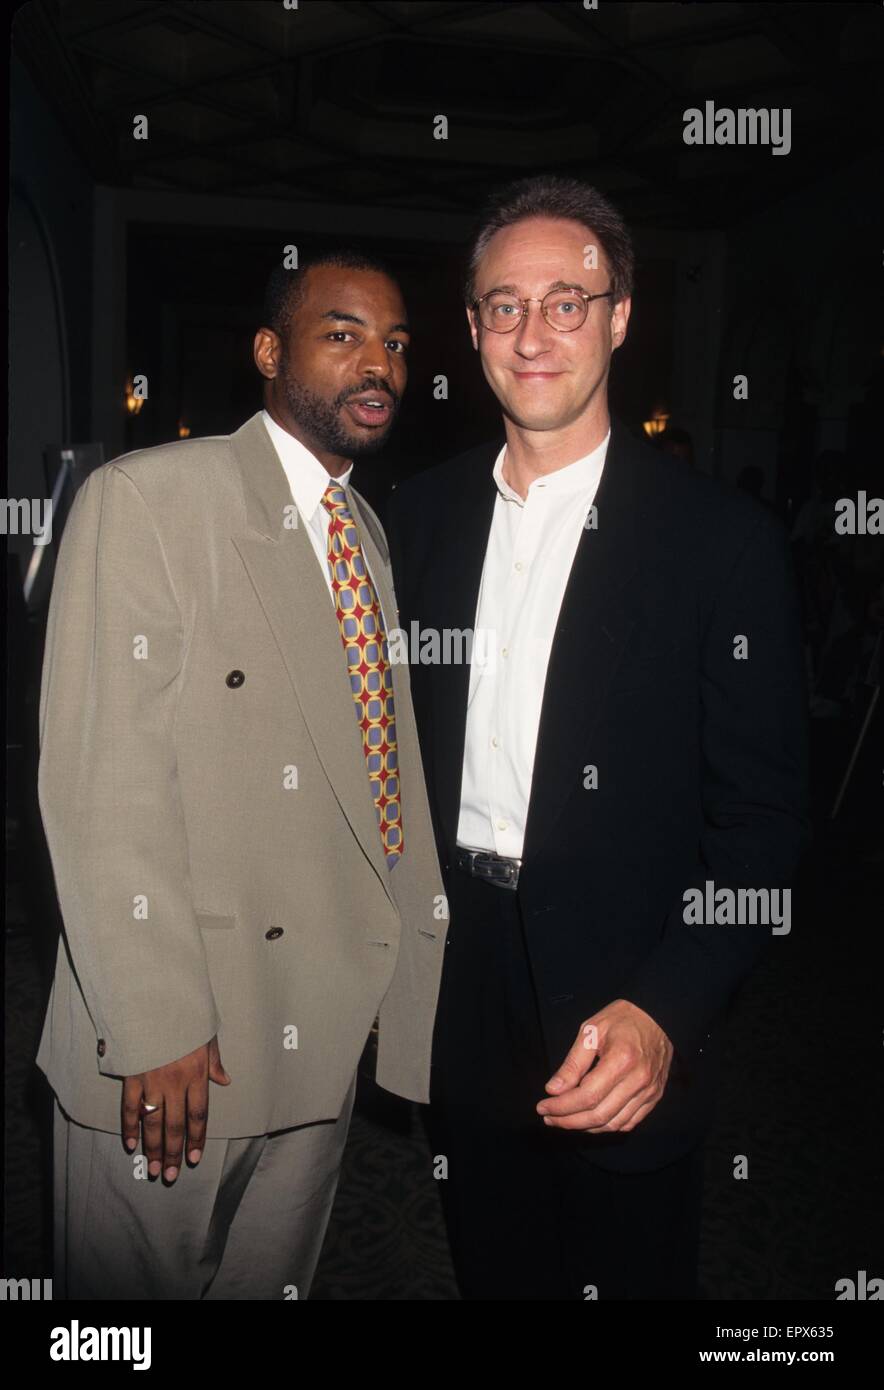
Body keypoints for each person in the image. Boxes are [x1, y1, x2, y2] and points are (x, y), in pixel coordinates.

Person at [387, 176, 810, 1301]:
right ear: (470, 327)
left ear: (619, 316)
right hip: (456, 979)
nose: (533, 335)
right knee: (494, 1265)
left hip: (625, 991)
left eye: (566, 302)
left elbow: (764, 827)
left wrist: (669, 1005)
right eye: (503, 305)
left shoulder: (718, 543)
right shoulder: (414, 521)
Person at [36, 248, 447, 1300]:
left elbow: (374, 780)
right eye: (343, 331)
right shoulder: (149, 496)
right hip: (183, 1044)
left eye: (396, 343)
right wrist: (155, 1018)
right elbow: (101, 782)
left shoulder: (365, 532)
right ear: (269, 351)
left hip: (316, 1032)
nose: (379, 365)